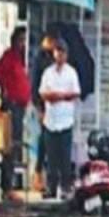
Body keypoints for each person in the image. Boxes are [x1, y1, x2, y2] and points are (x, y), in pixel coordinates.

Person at [38, 37, 80, 198]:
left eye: (62, 52)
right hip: (51, 121)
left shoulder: (71, 73)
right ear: (54, 54)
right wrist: (55, 95)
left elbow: (75, 93)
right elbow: (43, 93)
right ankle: (51, 188)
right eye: (57, 52)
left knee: (64, 157)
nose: (59, 55)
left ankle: (65, 188)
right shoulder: (48, 73)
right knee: (51, 157)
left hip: (65, 121)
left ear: (66, 55)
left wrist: (59, 96)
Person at [0, 26, 31, 191]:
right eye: (21, 40)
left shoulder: (27, 60)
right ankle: (7, 183)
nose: (23, 44)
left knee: (17, 144)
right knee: (10, 144)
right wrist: (5, 89)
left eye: (25, 40)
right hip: (11, 106)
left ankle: (14, 181)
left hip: (23, 107)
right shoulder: (9, 57)